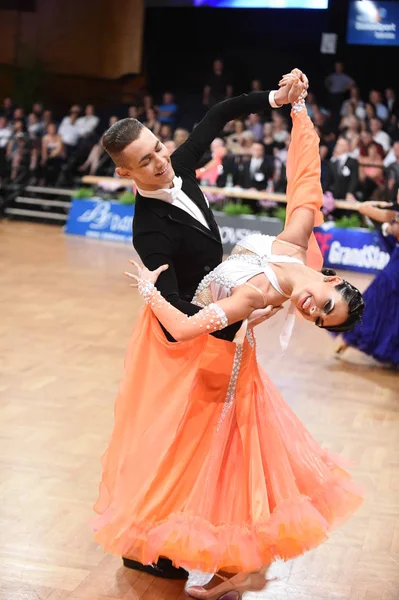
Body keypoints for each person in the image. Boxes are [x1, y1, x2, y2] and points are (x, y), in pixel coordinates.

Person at [94, 77, 364, 600]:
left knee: (210, 453)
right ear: (125, 173)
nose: (161, 163)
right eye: (146, 162)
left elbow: (222, 117)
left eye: (158, 149)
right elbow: (176, 318)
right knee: (181, 445)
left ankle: (209, 551)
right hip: (189, 341)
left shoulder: (182, 165)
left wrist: (285, 103)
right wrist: (164, 298)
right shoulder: (149, 231)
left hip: (221, 342)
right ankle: (171, 539)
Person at [336, 200, 399, 367]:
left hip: (394, 271)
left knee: (380, 305)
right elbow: (363, 208)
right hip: (394, 269)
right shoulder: (392, 214)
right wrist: (384, 207)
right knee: (378, 304)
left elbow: (365, 209)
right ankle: (351, 338)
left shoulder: (393, 216)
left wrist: (388, 226)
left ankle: (352, 338)